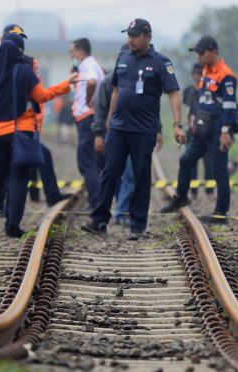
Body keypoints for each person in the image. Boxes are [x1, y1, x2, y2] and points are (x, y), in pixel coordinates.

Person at [81, 18, 185, 240]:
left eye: (135, 35)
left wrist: (177, 125)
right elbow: (117, 91)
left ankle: (137, 224)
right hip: (119, 127)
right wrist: (110, 119)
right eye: (128, 35)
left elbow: (174, 94)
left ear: (148, 37)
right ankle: (99, 220)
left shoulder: (160, 62)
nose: (130, 39)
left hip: (143, 129)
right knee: (109, 172)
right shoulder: (123, 57)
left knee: (140, 176)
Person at [0, 33, 79, 238]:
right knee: (19, 180)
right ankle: (12, 226)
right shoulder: (24, 70)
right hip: (20, 132)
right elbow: (41, 96)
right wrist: (67, 84)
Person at [161, 36, 236, 219]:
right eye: (197, 53)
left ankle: (221, 212)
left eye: (202, 53)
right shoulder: (206, 72)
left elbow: (230, 106)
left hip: (219, 128)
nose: (198, 57)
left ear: (214, 52)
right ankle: (180, 197)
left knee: (218, 169)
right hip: (202, 128)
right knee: (186, 159)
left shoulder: (226, 75)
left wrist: (225, 131)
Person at [93, 45, 137, 227]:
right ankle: (117, 206)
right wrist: (98, 134)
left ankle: (122, 212)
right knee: (112, 173)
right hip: (112, 133)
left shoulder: (140, 81)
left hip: (135, 132)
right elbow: (100, 110)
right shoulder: (108, 81)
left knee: (130, 173)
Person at [70, 38, 105, 209]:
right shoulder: (88, 66)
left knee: (86, 162)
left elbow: (92, 82)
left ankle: (96, 203)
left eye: (72, 52)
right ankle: (98, 201)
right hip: (89, 117)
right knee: (93, 162)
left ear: (80, 52)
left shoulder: (89, 66)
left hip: (87, 117)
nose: (72, 56)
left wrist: (89, 98)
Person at [182, 64, 213, 198]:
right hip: (191, 130)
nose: (198, 76)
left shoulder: (208, 90)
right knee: (191, 162)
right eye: (197, 73)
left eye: (201, 73)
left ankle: (209, 190)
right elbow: (186, 109)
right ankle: (193, 191)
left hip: (206, 130)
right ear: (193, 75)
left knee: (209, 163)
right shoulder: (188, 91)